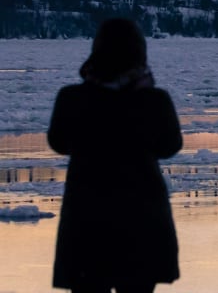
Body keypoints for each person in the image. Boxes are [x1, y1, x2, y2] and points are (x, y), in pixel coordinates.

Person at [48, 18, 183, 293]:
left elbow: (58, 142)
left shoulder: (73, 98)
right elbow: (170, 145)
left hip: (87, 219)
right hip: (141, 219)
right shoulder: (154, 100)